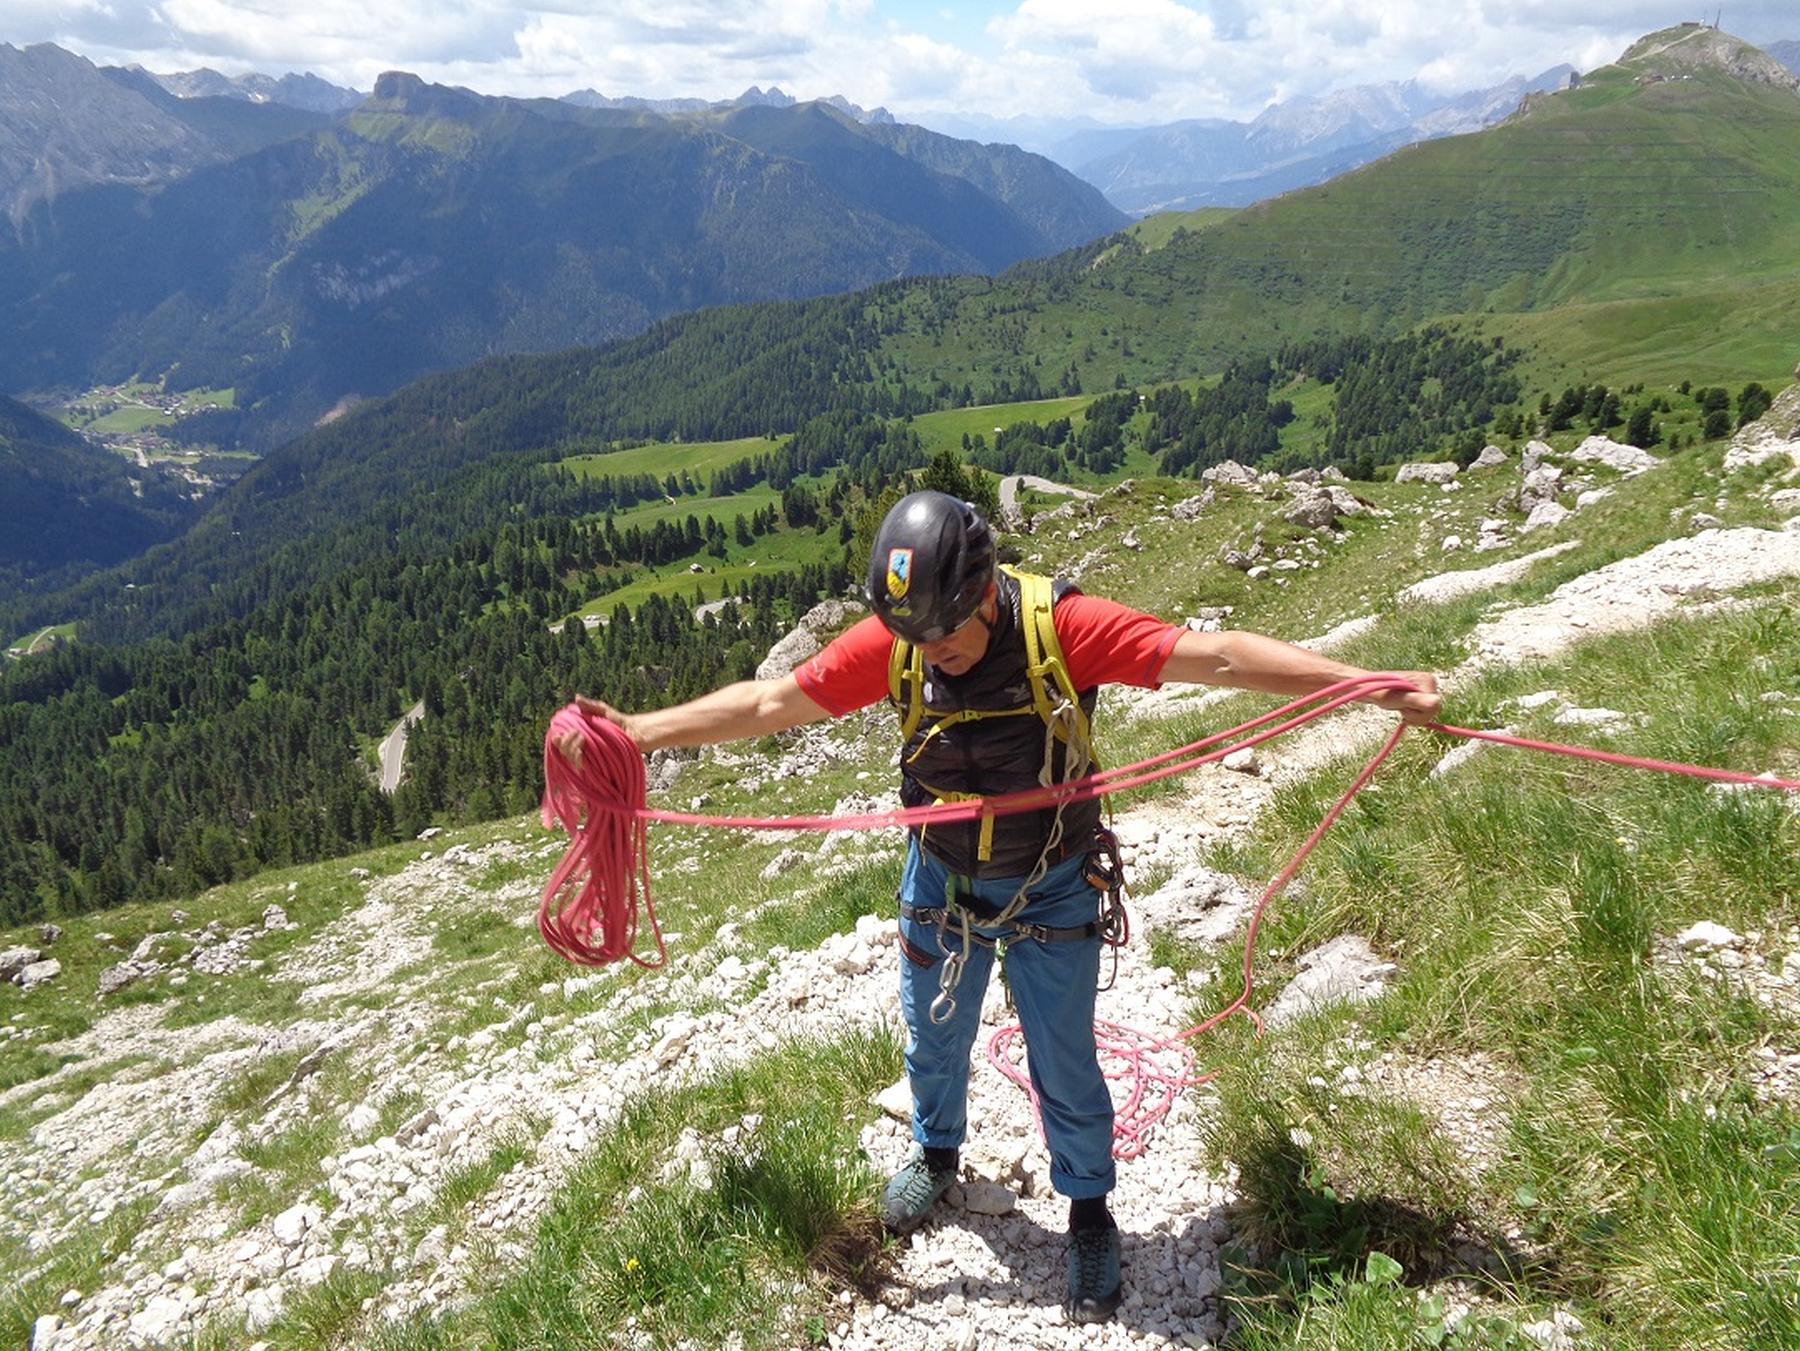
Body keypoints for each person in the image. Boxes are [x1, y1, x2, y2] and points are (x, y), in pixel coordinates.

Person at [555, 489, 1440, 1323]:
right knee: (929, 1037)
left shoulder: (1063, 627)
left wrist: (1365, 680)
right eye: (914, 634)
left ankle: (1089, 1211)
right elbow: (770, 701)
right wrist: (635, 730)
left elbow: (1211, 653)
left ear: (982, 593)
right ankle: (938, 1155)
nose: (929, 649)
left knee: (1065, 1056)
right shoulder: (901, 640)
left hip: (1053, 879)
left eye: (943, 631)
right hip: (941, 877)